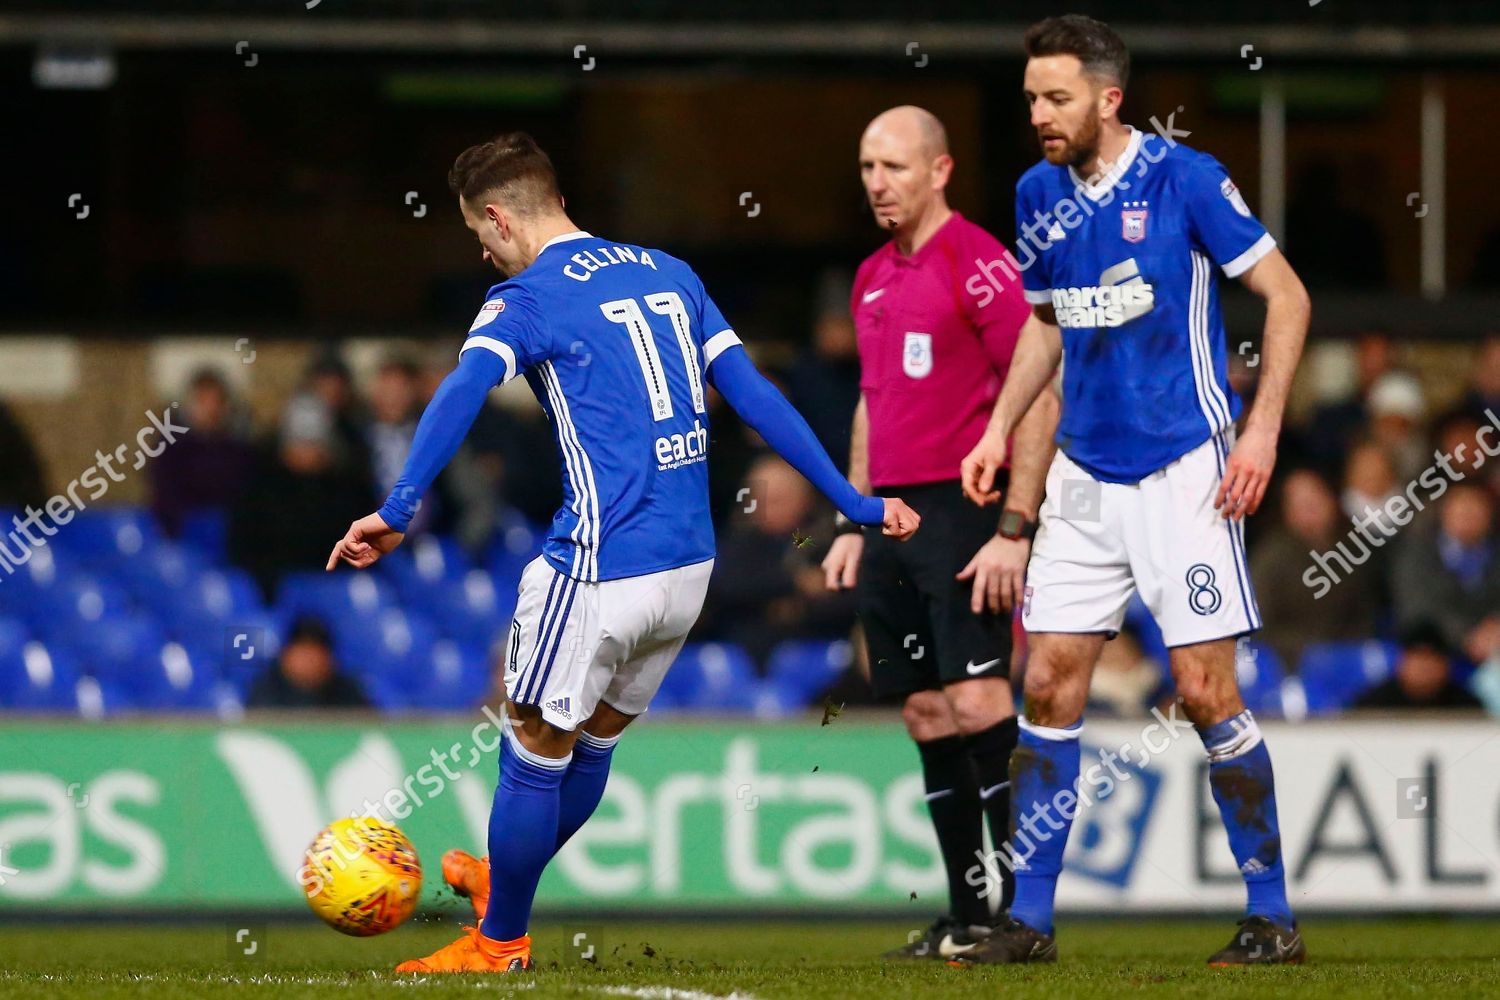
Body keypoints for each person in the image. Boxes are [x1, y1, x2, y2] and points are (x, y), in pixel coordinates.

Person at [324, 132, 919, 975]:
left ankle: (500, 943)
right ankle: (505, 884)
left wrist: (398, 505)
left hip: (603, 561)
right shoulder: (668, 271)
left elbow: (460, 387)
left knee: (531, 740)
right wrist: (851, 500)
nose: (481, 250)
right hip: (689, 565)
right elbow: (755, 393)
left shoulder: (523, 298)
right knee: (594, 741)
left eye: (476, 233)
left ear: (497, 217)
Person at [957, 16, 1312, 966]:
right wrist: (998, 427)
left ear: (1109, 100)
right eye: (1032, 97)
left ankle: (1270, 915)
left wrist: (1263, 429)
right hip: (1082, 473)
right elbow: (1043, 327)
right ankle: (1029, 922)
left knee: (1202, 692)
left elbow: (1288, 295)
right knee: (1046, 684)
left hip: (1183, 469)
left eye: (1057, 97)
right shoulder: (1037, 192)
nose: (1039, 114)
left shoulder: (1186, 179)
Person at [818, 105, 1054, 960]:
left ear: (941, 170)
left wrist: (1015, 528)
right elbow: (872, 400)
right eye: (867, 167)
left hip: (963, 506)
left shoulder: (981, 263)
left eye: (894, 167)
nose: (878, 183)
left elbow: (1038, 391)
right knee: (922, 709)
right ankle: (966, 915)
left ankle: (1024, 917)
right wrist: (854, 514)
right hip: (891, 515)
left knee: (980, 699)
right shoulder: (872, 274)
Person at [1391, 483, 1500, 665]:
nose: (1468, 515)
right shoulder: (1416, 553)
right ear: (1443, 512)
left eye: (1476, 508)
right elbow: (1416, 609)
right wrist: (1466, 636)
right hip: (1435, 652)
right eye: (1460, 508)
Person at [245, 616, 371, 710]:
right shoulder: (265, 689)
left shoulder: (348, 691)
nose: (309, 660)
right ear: (287, 655)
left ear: (329, 658)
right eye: (304, 650)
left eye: (316, 652)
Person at [1353, 623, 1482, 710]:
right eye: (1417, 657)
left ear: (1445, 665)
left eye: (1430, 658)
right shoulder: (1374, 704)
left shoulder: (1467, 706)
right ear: (1401, 663)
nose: (1423, 667)